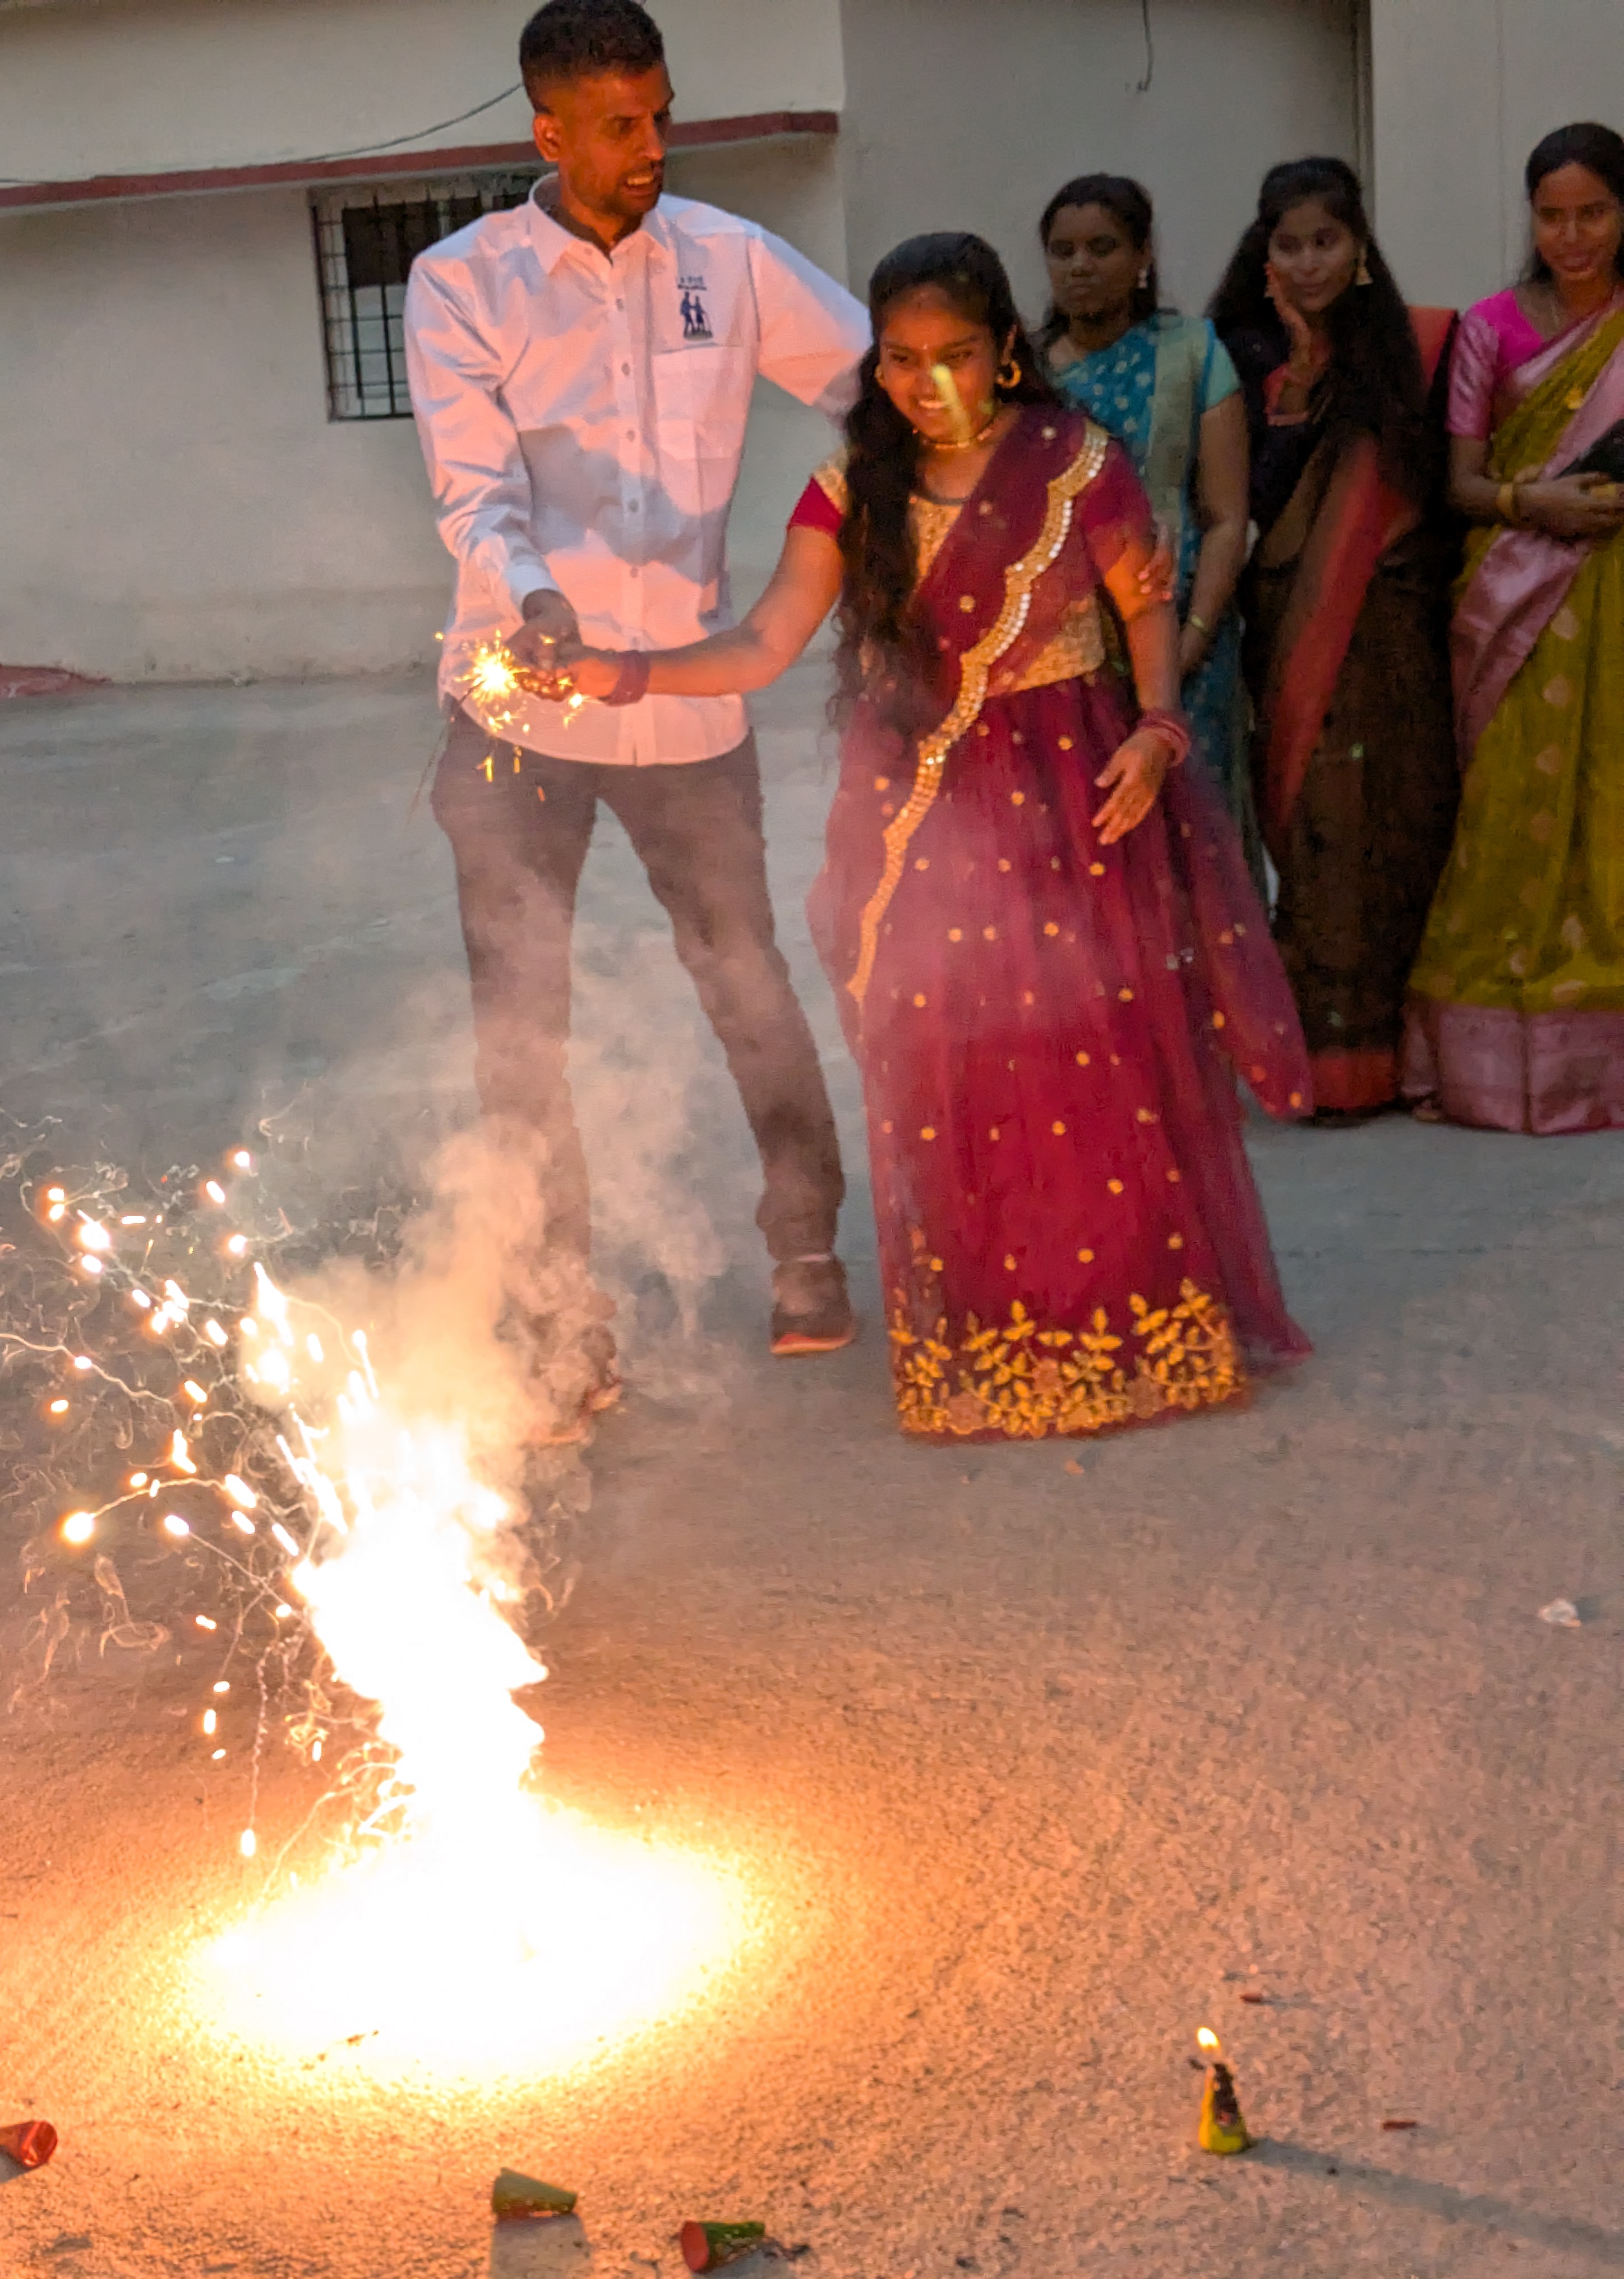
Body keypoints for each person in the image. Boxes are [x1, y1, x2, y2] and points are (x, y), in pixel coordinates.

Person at [538, 232, 1311, 1444]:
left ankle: (1129, 1331)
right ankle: (993, 1342)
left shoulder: (1072, 465)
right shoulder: (850, 491)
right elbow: (760, 645)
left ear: (1006, 350)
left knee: (1087, 1059)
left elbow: (1144, 605)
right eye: (899, 360)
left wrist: (1158, 729)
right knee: (952, 1063)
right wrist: (620, 671)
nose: (927, 385)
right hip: (922, 817)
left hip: (1071, 792)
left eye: (954, 355)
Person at [403, 0, 868, 1428]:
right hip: (518, 701)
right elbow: (475, 491)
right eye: (621, 124)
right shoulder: (463, 281)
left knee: (744, 976)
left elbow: (885, 388)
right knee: (520, 1023)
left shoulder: (728, 262)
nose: (653, 145)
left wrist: (855, 521)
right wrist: (537, 600)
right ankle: (560, 1317)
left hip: (681, 698)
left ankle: (805, 1248)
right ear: (548, 129)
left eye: (663, 113)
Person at [1212, 158, 1459, 1122]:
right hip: (1287, 626)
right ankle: (1319, 1054)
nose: (1309, 261)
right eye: (1290, 244)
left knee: (1400, 825)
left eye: (1327, 241)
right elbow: (1243, 503)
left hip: (1395, 634)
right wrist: (1295, 388)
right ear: (1263, 252)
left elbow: (1435, 491)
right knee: (1313, 834)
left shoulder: (1417, 349)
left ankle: (1396, 1055)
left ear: (1358, 248)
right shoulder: (1236, 351)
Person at [1406, 123, 1624, 1132]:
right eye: (1551, 216)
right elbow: (1458, 484)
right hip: (1517, 597)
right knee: (1506, 813)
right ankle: (1490, 1061)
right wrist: (1543, 508)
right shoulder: (1491, 327)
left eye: (1593, 213)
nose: (1571, 236)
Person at [1039, 175, 1253, 827]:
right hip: (1070, 658)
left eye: (1102, 247)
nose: (1080, 266)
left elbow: (1224, 519)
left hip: (1189, 638)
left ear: (1142, 259)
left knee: (1201, 840)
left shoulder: (1192, 352)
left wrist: (1189, 644)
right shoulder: (1031, 378)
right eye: (1063, 250)